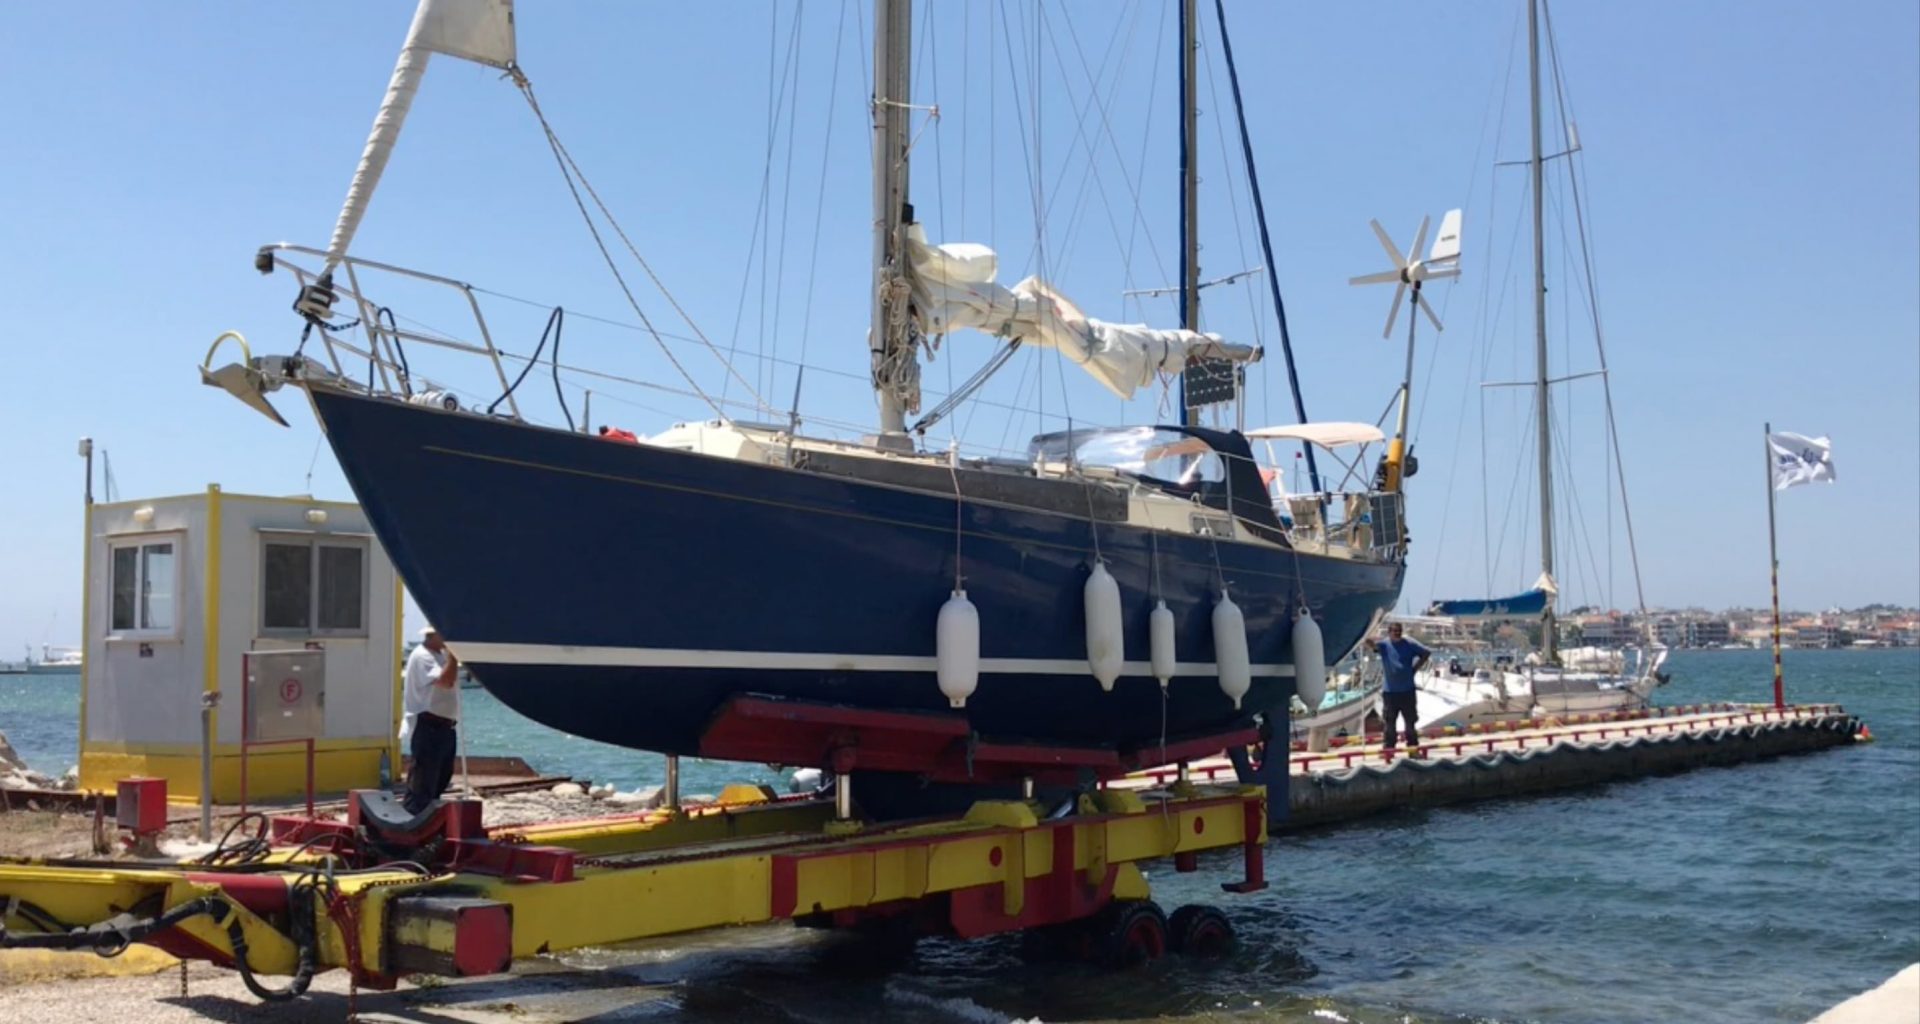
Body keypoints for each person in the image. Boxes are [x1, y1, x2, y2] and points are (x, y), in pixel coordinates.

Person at [401, 625, 460, 813]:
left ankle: (426, 821)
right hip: (429, 725)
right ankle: (412, 821)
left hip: (443, 726)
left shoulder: (438, 656)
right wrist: (454, 656)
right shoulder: (424, 656)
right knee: (423, 784)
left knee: (440, 779)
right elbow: (445, 681)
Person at [1375, 622, 1431, 752]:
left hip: (1407, 691)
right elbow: (1370, 645)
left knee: (1410, 723)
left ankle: (1412, 747)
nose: (1397, 633)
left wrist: (1415, 668)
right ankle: (1388, 749)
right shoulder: (1384, 645)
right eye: (1394, 631)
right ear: (1389, 632)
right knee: (1389, 723)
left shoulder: (1409, 643)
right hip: (1390, 692)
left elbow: (1426, 653)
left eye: (1399, 630)